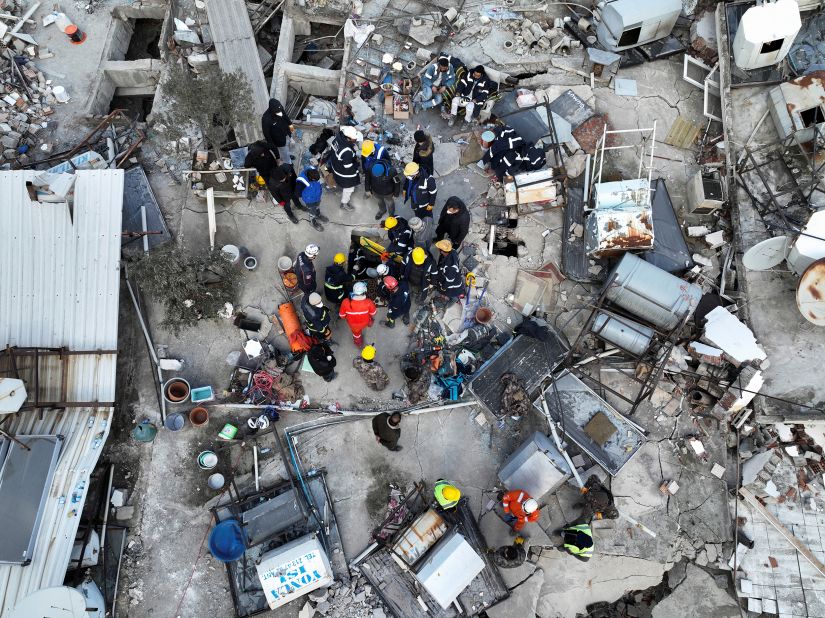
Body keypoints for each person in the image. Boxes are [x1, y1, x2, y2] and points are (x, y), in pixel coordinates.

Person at [327, 126, 362, 212]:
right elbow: (348, 166)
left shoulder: (337, 139)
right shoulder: (346, 151)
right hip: (342, 172)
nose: (355, 140)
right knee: (349, 188)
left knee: (340, 181)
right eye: (354, 138)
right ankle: (344, 203)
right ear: (348, 138)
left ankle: (339, 185)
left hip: (335, 166)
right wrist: (357, 166)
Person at [403, 162, 437, 247]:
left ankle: (429, 227)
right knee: (418, 215)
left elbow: (433, 192)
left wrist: (431, 204)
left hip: (425, 205)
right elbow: (407, 183)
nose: (408, 177)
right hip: (415, 203)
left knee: (428, 216)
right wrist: (405, 189)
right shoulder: (411, 176)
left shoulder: (429, 180)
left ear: (415, 173)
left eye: (409, 176)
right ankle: (420, 223)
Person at [364, 152, 401, 220]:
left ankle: (391, 215)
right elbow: (367, 179)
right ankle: (382, 210)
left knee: (390, 203)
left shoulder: (392, 171)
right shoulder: (371, 167)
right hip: (376, 191)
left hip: (388, 193)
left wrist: (396, 194)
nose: (376, 177)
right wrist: (367, 189)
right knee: (379, 201)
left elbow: (397, 183)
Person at [339, 281, 377, 347]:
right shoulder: (368, 302)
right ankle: (370, 323)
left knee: (356, 334)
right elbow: (373, 313)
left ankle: (358, 342)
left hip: (353, 325)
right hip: (365, 322)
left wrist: (349, 316)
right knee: (369, 316)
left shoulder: (345, 302)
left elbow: (342, 316)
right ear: (365, 291)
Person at [261, 98, 294, 164]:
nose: (280, 113)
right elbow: (268, 138)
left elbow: (287, 119)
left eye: (280, 110)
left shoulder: (279, 108)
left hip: (287, 134)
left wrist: (292, 132)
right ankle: (289, 163)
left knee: (290, 147)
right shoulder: (266, 119)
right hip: (280, 142)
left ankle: (289, 155)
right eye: (277, 112)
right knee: (284, 154)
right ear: (272, 110)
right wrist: (277, 156)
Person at [295, 166, 327, 231]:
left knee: (317, 206)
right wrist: (307, 196)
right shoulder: (301, 181)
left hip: (317, 197)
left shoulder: (313, 170)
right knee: (312, 210)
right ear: (310, 179)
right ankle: (313, 222)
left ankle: (318, 215)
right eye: (315, 180)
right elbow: (298, 193)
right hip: (309, 200)